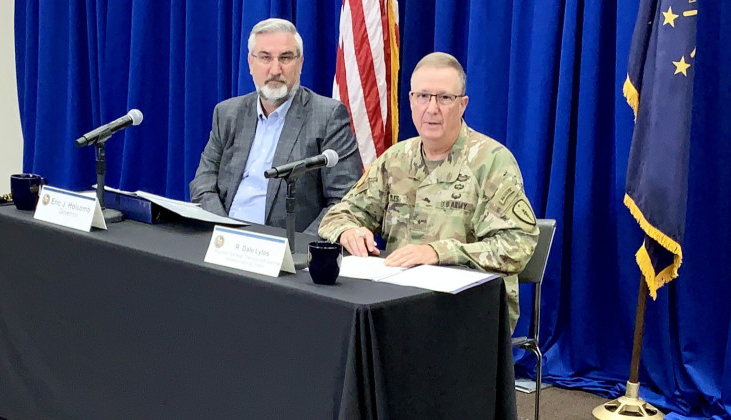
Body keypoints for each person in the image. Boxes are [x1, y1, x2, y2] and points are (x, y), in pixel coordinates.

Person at [318, 52, 539, 331]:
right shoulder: (395, 159)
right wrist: (348, 231)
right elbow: (338, 215)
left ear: (462, 105)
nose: (431, 108)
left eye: (444, 98)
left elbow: (518, 244)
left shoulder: (491, 161)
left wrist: (439, 252)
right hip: (398, 301)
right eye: (423, 96)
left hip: (467, 310)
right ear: (411, 101)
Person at [190, 18, 362, 235]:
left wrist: (298, 248)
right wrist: (222, 230)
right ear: (250, 63)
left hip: (284, 250)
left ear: (300, 63)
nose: (275, 69)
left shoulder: (328, 117)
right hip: (223, 239)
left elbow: (343, 200)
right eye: (265, 57)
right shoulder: (227, 113)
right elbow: (203, 183)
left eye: (286, 57)